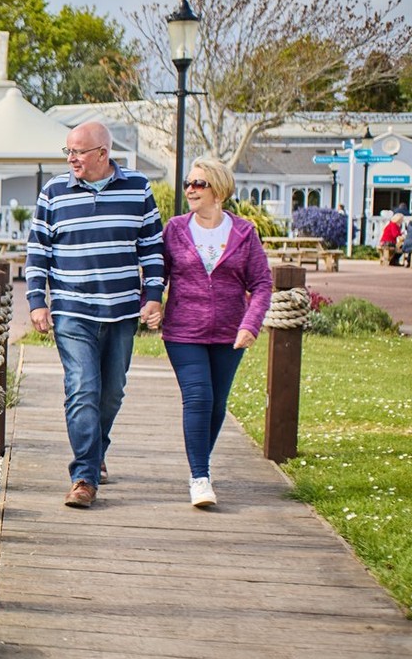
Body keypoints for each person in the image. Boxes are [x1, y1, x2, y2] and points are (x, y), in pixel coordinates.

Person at [26, 121, 165, 509]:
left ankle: (95, 448)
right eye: (67, 151)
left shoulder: (137, 189)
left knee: (111, 392)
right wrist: (37, 301)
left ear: (103, 153)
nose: (71, 159)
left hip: (121, 312)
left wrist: (153, 296)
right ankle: (84, 476)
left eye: (78, 152)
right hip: (72, 311)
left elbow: (152, 249)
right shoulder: (54, 192)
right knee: (83, 388)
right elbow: (37, 252)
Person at [155, 158, 271, 508]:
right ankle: (200, 477)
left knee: (218, 404)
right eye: (188, 183)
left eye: (198, 184)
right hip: (183, 331)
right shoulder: (174, 229)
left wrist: (251, 324)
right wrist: (151, 302)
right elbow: (158, 274)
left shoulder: (244, 232)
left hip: (229, 334)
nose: (190, 189)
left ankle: (199, 467)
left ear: (218, 190)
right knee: (199, 398)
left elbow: (263, 284)